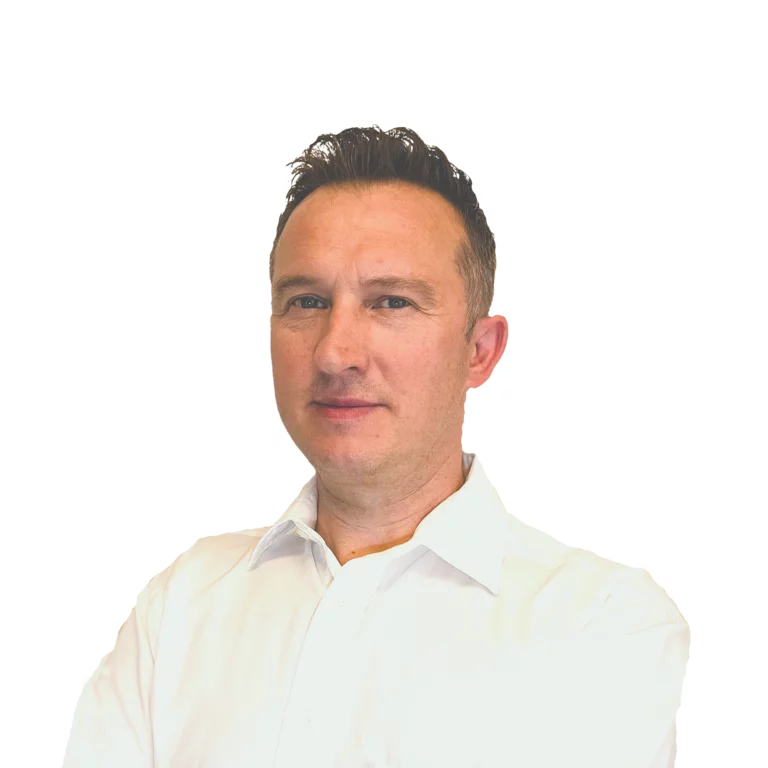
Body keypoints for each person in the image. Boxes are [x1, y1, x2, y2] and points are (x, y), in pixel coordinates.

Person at [61, 125, 690, 768]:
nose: (335, 353)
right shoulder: (180, 606)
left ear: (480, 351)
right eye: (306, 301)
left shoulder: (602, 623)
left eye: (391, 302)